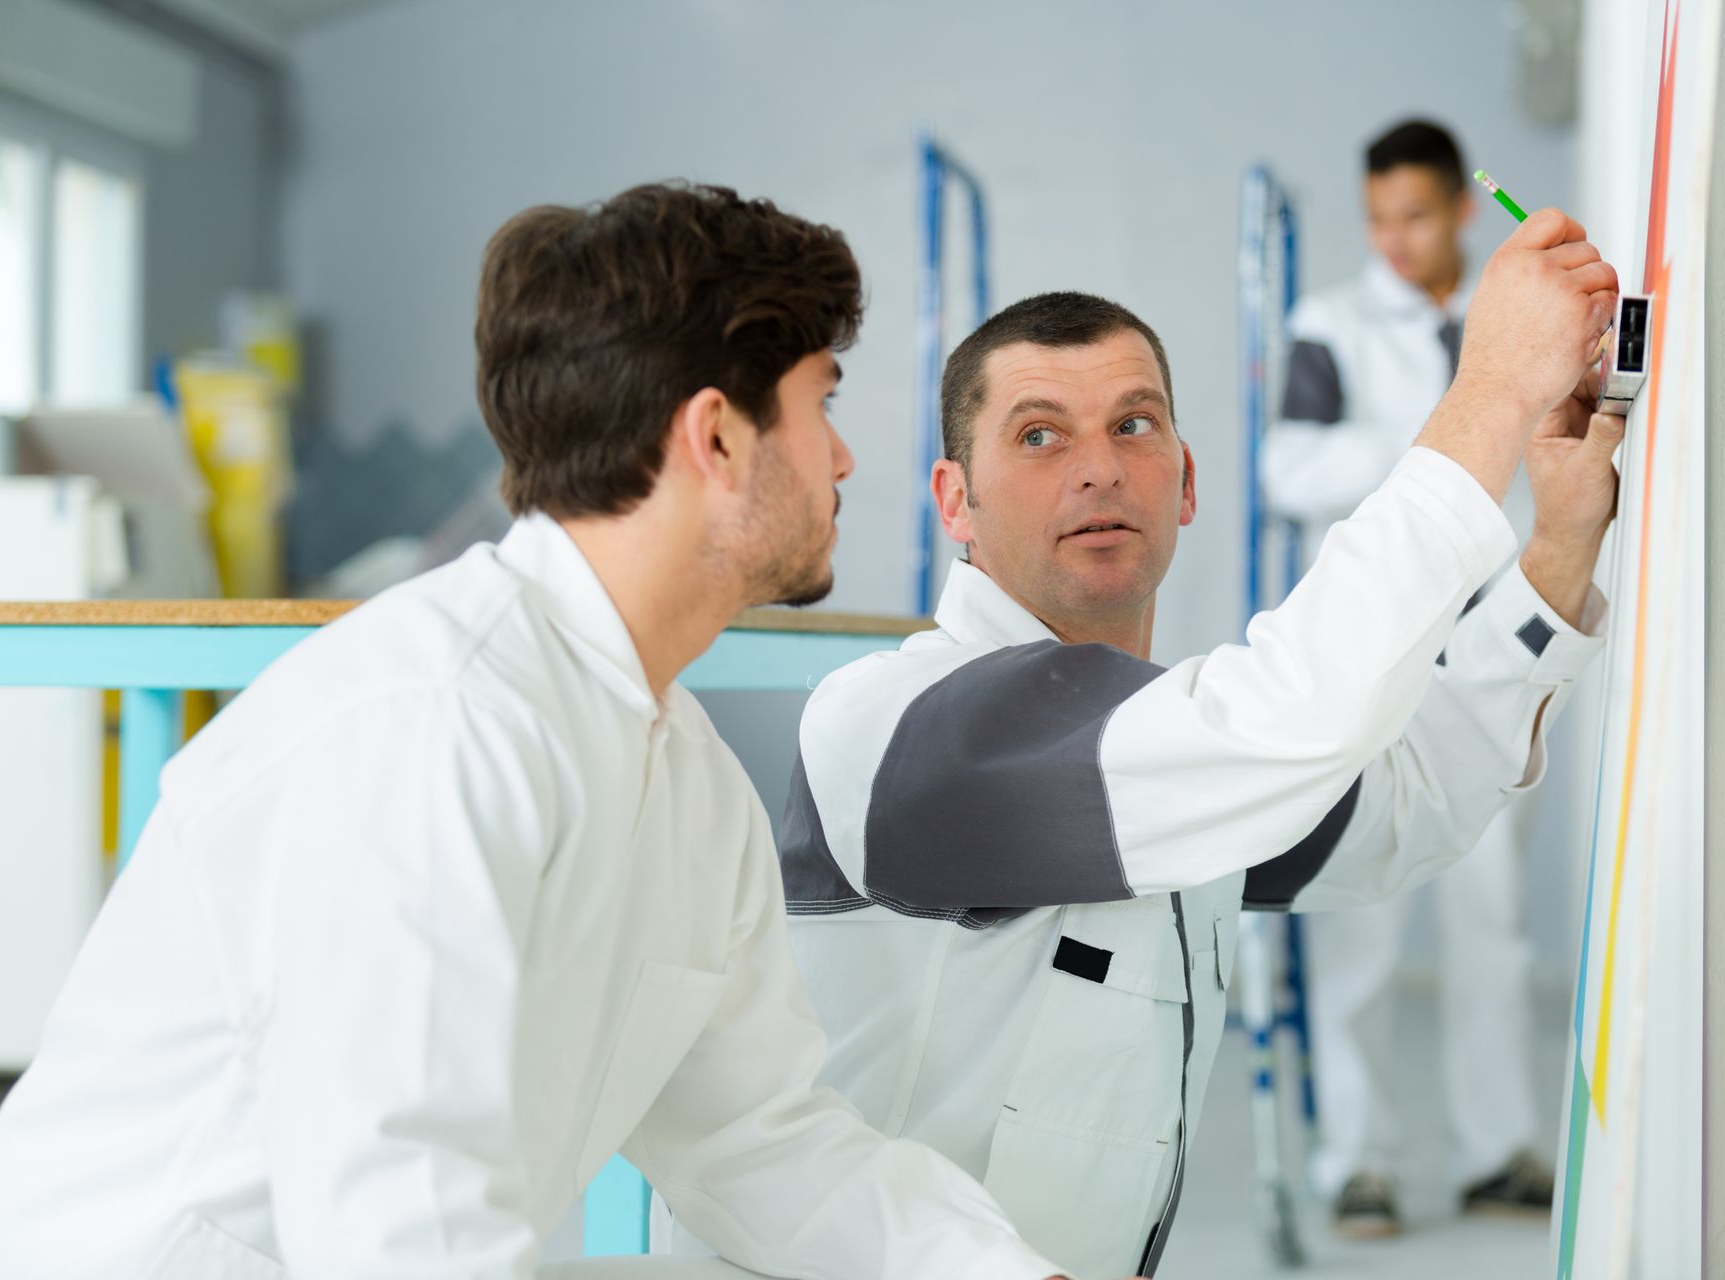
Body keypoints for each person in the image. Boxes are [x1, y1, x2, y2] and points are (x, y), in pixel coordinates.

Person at [0, 184, 1080, 1280]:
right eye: (818, 404)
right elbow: (400, 1214)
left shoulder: (682, 773)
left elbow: (761, 1138)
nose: (841, 459)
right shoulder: (432, 725)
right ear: (717, 437)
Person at [657, 205, 1623, 1278]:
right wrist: (1488, 391)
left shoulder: (1171, 763)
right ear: (954, 503)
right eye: (1037, 435)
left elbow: (1402, 804)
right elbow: (1290, 720)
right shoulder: (897, 729)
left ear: (1187, 480)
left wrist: (1559, 547)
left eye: (1134, 425)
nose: (1099, 468)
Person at [1263, 119, 1565, 1236]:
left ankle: (1498, 1152)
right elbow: (1288, 465)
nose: (1394, 239)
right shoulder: (1329, 326)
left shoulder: (1513, 320)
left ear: (1460, 208)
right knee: (1362, 930)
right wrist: (1443, 428)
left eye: (1418, 217)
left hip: (1491, 658)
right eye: (1377, 218)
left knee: (1492, 931)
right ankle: (1361, 1163)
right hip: (1374, 667)